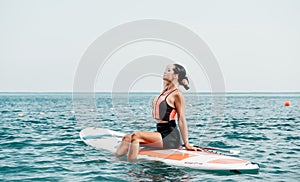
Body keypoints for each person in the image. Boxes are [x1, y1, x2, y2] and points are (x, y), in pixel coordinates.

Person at [115, 64, 200, 160]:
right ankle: (113, 163)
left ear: (176, 75)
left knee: (136, 136)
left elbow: (181, 119)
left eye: (168, 70)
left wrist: (187, 143)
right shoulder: (165, 90)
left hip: (170, 136)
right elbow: (171, 81)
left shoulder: (177, 94)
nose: (164, 72)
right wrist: (183, 81)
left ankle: (132, 169)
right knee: (126, 138)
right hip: (160, 132)